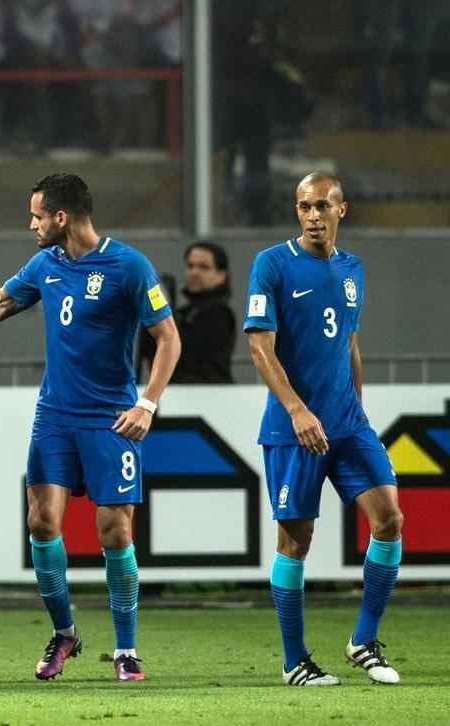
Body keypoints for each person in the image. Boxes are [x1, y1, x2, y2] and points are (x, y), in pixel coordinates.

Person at [0, 173, 181, 682]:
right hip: (55, 415)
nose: (31, 224)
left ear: (61, 217)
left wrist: (147, 404)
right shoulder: (44, 264)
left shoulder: (128, 265)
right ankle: (65, 632)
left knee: (114, 530)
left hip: (111, 416)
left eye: (36, 216)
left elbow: (169, 339)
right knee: (41, 523)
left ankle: (125, 648)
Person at [245, 172, 403, 686]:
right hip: (294, 428)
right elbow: (259, 348)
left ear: (342, 210)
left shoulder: (353, 268)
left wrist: (358, 409)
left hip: (348, 425)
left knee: (390, 520)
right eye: (303, 206)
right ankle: (295, 661)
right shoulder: (272, 264)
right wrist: (296, 409)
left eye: (322, 206)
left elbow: (350, 344)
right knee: (296, 541)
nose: (312, 215)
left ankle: (363, 641)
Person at [143, 241, 235, 384]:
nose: (194, 272)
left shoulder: (220, 314)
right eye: (190, 266)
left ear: (221, 276)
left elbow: (186, 355)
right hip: (174, 395)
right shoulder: (182, 313)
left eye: (204, 267)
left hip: (210, 397)